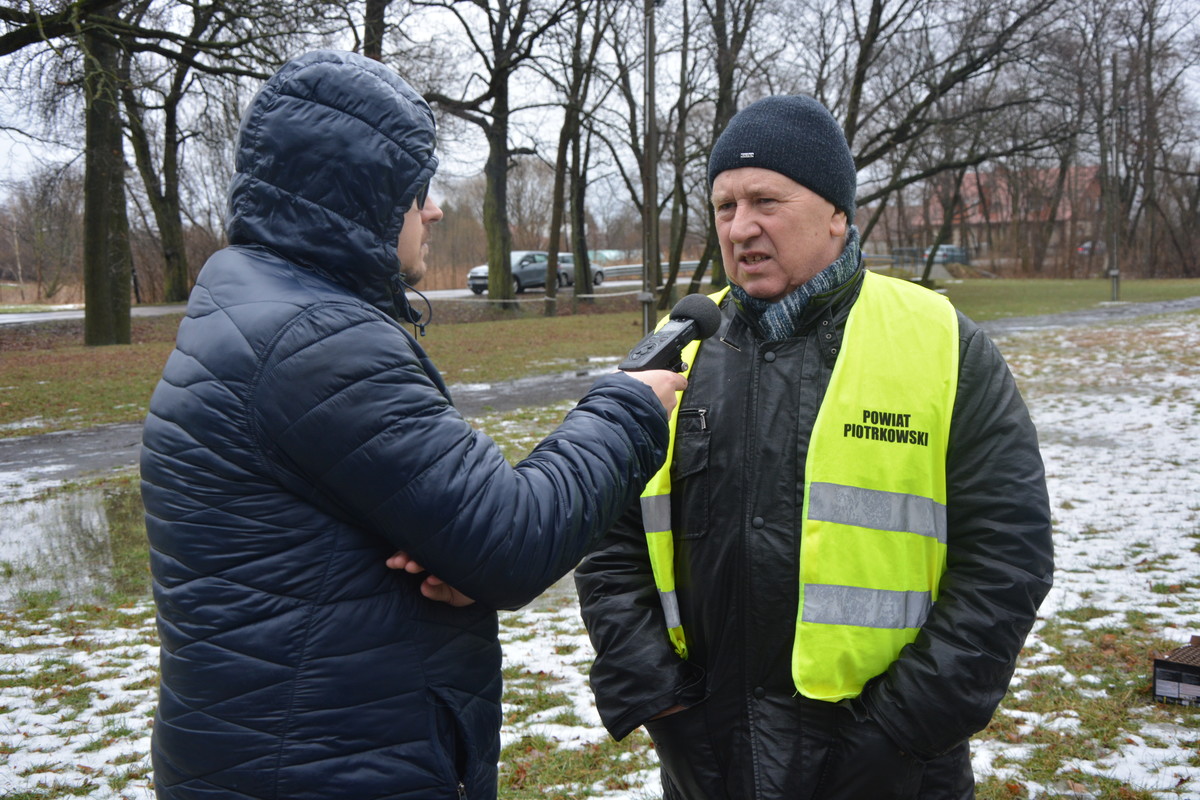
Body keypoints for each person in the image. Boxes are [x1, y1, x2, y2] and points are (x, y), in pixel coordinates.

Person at [139, 50, 685, 800]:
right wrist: (627, 406)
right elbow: (512, 537)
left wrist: (453, 551)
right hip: (321, 768)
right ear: (359, 195)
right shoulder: (315, 341)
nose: (433, 210)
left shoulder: (253, 305)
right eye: (415, 188)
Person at [574, 95, 1055, 800]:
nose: (741, 228)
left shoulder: (942, 343)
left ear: (837, 212)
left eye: (766, 200)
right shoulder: (678, 355)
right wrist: (666, 709)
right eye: (725, 205)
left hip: (893, 770)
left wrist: (899, 733)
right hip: (710, 764)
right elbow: (610, 545)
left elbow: (1008, 556)